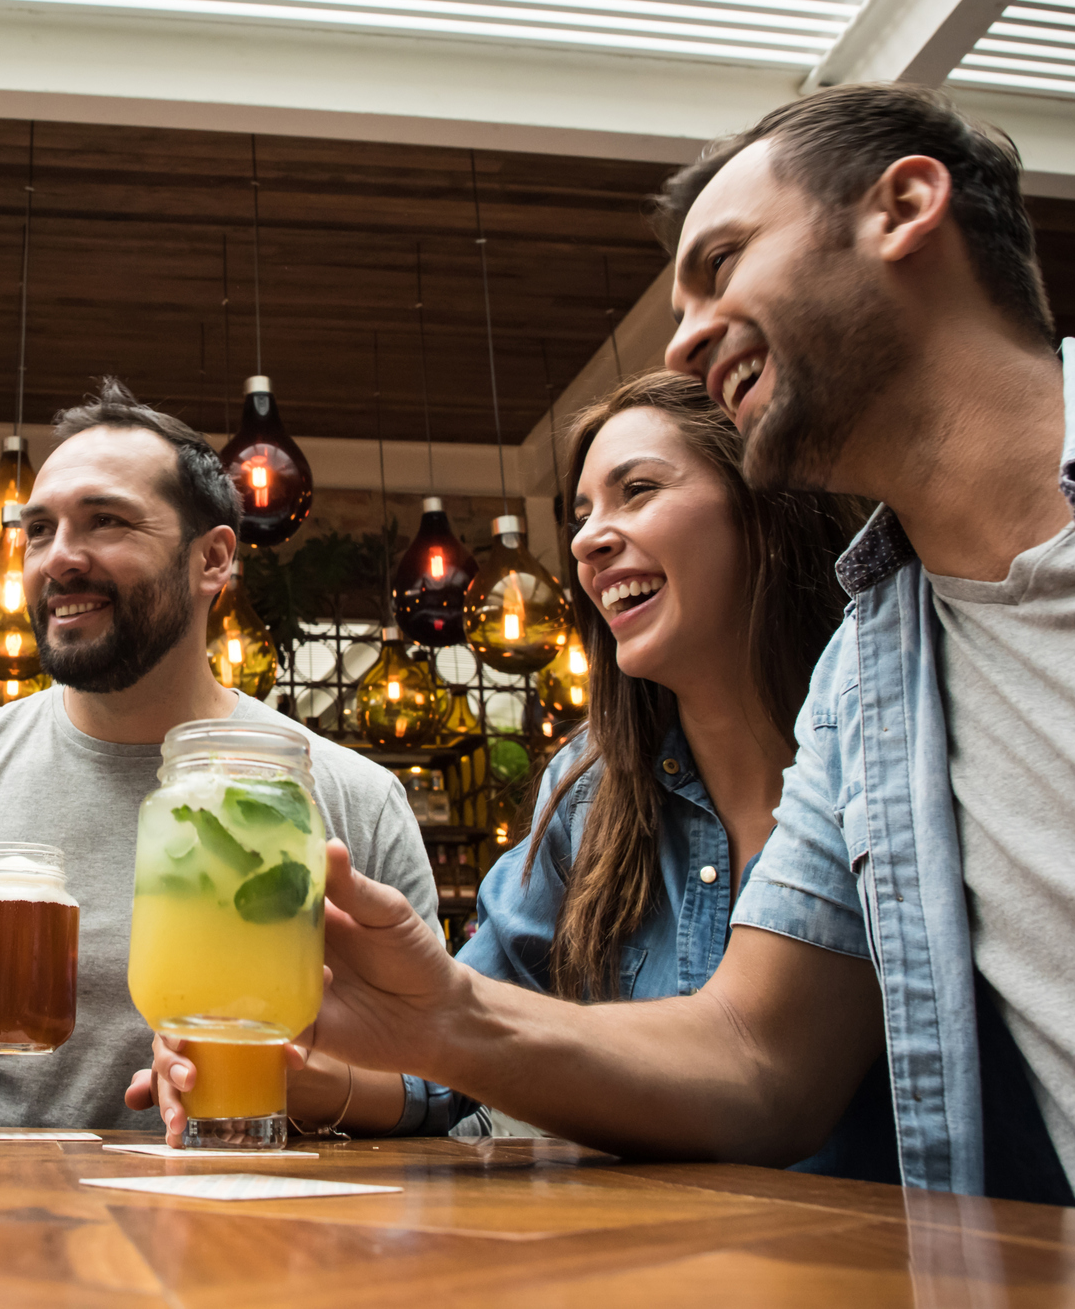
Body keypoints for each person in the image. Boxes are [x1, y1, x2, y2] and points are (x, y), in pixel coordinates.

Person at [310, 82, 1075, 1216]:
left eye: (720, 262)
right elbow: (761, 1060)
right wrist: (442, 1021)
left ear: (903, 205)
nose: (682, 333)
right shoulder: (869, 679)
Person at [128, 371, 886, 1164]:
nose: (591, 539)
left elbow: (759, 1074)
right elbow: (454, 1069)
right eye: (583, 514)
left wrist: (443, 1022)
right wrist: (313, 1081)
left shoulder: (884, 743)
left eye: (638, 490)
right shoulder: (590, 788)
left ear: (763, 509)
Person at [0, 378, 438, 1130]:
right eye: (38, 530)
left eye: (104, 521)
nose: (57, 559)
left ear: (213, 560)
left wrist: (316, 1085)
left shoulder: (345, 793)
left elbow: (443, 1086)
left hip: (263, 1229)